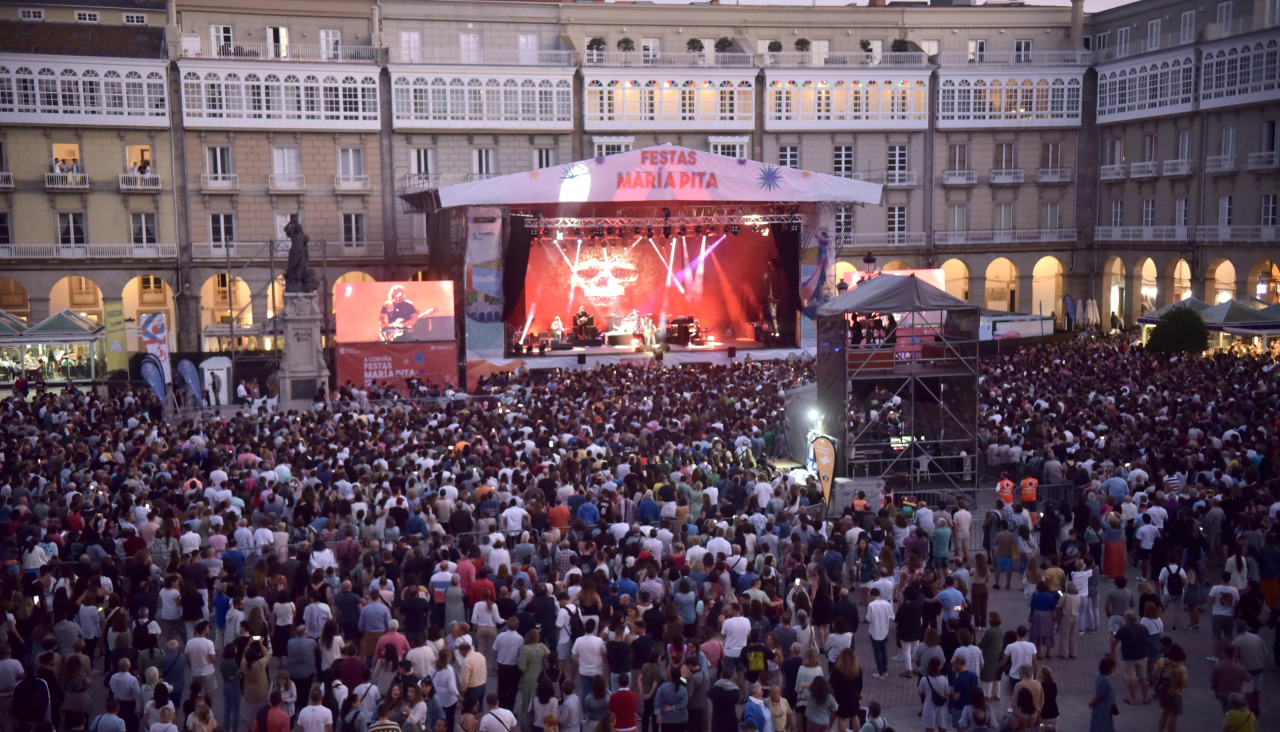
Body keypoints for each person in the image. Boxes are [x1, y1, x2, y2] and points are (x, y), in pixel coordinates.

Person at [916, 658, 950, 732]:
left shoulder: (924, 679)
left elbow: (920, 692)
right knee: (942, 727)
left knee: (929, 727)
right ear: (937, 667)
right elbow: (947, 692)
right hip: (941, 707)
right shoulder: (944, 679)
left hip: (929, 706)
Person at [1088, 656, 1118, 732]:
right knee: (1102, 723)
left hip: (1105, 706)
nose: (1115, 668)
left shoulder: (1101, 678)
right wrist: (1093, 702)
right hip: (1103, 706)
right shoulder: (1104, 680)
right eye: (1114, 667)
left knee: (1103, 722)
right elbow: (1100, 694)